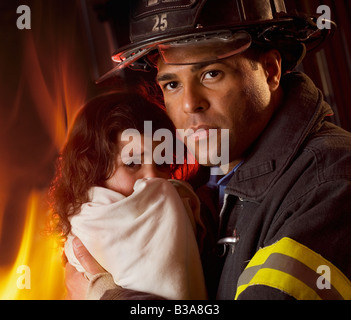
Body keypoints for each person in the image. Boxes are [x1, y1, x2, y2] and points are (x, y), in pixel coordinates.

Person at [66, 0, 351, 300]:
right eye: (173, 84)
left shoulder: (329, 184)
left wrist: (104, 294)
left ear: (270, 71)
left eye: (211, 74)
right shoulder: (204, 191)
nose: (190, 104)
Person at [50, 91, 207, 300]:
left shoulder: (187, 206)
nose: (153, 178)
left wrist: (101, 291)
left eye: (161, 164)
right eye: (132, 164)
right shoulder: (86, 222)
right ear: (93, 172)